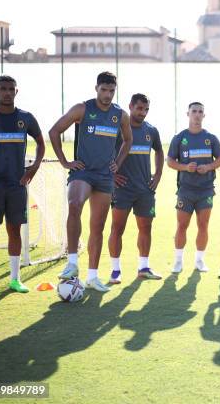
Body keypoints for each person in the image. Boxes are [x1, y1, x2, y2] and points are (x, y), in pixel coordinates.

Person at [49, 71, 133, 292]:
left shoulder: (120, 115)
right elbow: (54, 131)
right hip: (83, 172)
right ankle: (72, 262)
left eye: (111, 91)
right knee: (74, 204)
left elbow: (128, 139)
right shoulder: (82, 109)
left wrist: (118, 161)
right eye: (103, 90)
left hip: (105, 176)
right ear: (96, 88)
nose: (107, 94)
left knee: (97, 226)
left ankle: (93, 277)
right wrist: (66, 162)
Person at [0, 75, 45, 298]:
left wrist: (33, 168)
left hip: (17, 185)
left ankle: (15, 279)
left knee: (15, 230)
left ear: (16, 91)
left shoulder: (26, 118)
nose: (7, 92)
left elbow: (41, 143)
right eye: (3, 89)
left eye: (11, 89)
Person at [107, 93, 164, 284]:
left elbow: (159, 151)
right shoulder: (118, 129)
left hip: (145, 189)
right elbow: (104, 151)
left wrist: (157, 175)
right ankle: (115, 270)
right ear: (130, 106)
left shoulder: (151, 130)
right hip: (122, 189)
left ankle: (144, 267)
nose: (143, 113)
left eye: (146, 109)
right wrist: (112, 175)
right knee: (118, 228)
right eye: (139, 108)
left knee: (146, 227)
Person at [167, 102, 220, 273]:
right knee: (182, 225)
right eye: (194, 111)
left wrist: (208, 167)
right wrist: (185, 167)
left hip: (206, 190)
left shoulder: (211, 138)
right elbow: (170, 161)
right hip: (186, 190)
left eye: (200, 112)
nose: (197, 115)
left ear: (204, 115)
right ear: (188, 114)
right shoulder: (179, 138)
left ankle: (199, 261)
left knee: (203, 225)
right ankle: (178, 261)